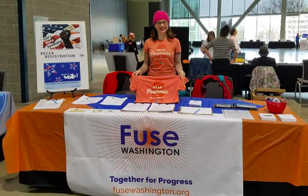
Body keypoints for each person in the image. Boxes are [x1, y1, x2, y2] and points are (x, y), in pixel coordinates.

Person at [133, 11, 185, 79]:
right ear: (155, 25)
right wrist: (140, 70)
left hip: (170, 79)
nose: (162, 25)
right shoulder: (148, 42)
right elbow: (146, 63)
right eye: (159, 22)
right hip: (152, 79)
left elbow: (177, 63)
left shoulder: (176, 42)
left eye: (164, 22)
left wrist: (180, 71)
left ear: (168, 23)